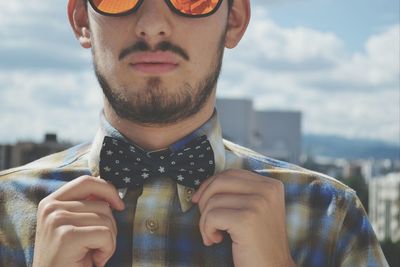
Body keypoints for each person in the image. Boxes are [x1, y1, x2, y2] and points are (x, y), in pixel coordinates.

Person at [0, 0, 388, 266]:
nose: (152, 25)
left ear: (233, 19)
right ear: (81, 20)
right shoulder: (5, 211)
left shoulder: (332, 214)